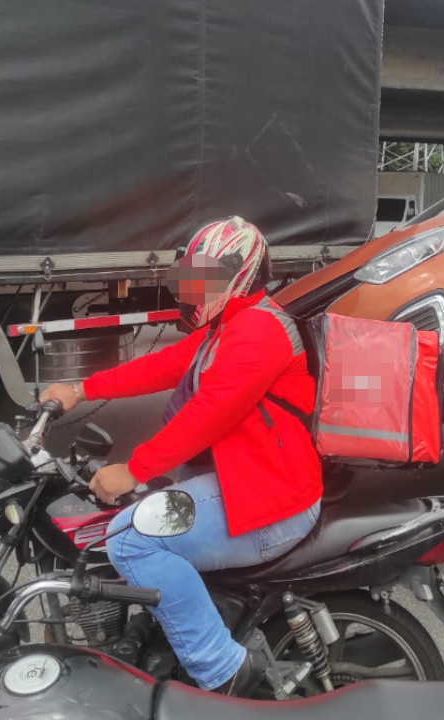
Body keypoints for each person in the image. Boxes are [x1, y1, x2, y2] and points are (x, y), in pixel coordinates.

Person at [39, 217, 322, 693]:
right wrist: (80, 388)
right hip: (242, 480)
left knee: (130, 541)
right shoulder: (228, 325)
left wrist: (133, 470)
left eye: (203, 274)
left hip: (269, 501)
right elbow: (161, 366)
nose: (190, 287)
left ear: (237, 273)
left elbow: (209, 415)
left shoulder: (258, 331)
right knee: (128, 513)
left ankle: (222, 670)